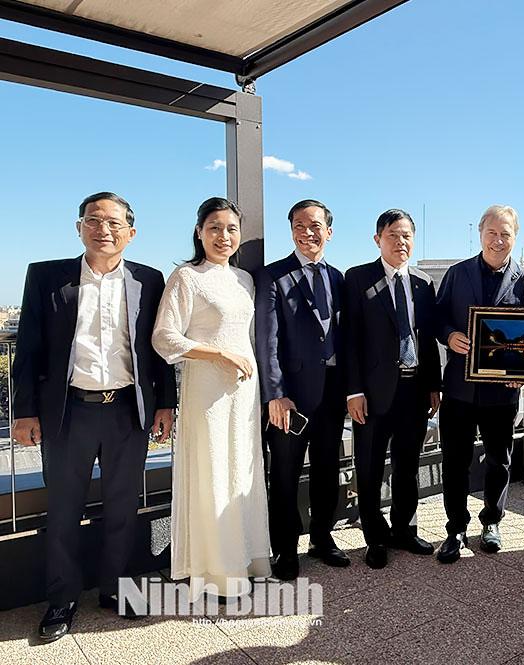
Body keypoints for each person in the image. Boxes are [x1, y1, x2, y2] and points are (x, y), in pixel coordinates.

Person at [11, 192, 176, 641]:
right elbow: (27, 347)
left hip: (127, 411)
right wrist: (23, 412)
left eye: (114, 223)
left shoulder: (149, 279)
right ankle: (62, 600)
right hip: (69, 412)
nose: (104, 229)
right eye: (93, 220)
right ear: (79, 226)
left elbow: (158, 349)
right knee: (64, 509)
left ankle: (115, 590)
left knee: (123, 507)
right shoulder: (47, 277)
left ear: (131, 232)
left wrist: (166, 403)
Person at [152, 197, 271, 600]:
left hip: (244, 395)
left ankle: (247, 559)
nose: (224, 236)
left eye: (231, 229)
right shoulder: (186, 277)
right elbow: (164, 337)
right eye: (215, 228)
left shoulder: (244, 280)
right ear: (199, 232)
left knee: (242, 471)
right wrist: (218, 353)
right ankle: (218, 571)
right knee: (214, 472)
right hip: (207, 392)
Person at [434, 205, 524, 563]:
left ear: (515, 236)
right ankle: (455, 529)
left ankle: (492, 523)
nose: (498, 240)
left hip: (502, 392)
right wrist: (449, 336)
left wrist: (523, 372)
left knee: (499, 460)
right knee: (455, 461)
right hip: (460, 389)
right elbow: (438, 318)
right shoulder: (456, 274)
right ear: (480, 234)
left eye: (506, 234)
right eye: (492, 233)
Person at [255, 200, 349, 581]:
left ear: (329, 231)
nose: (307, 233)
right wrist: (275, 393)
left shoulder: (339, 278)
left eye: (314, 226)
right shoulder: (273, 276)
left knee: (328, 469)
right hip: (289, 398)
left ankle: (323, 539)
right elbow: (267, 341)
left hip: (331, 393)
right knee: (285, 474)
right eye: (298, 225)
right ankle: (286, 549)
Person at [345, 209, 442, 569]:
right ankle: (374, 537)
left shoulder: (422, 282)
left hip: (414, 390)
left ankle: (403, 529)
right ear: (377, 239)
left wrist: (434, 385)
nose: (400, 242)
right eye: (392, 236)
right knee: (368, 466)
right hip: (371, 393)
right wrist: (353, 391)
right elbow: (350, 339)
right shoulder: (357, 279)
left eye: (406, 236)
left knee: (408, 466)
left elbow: (428, 339)